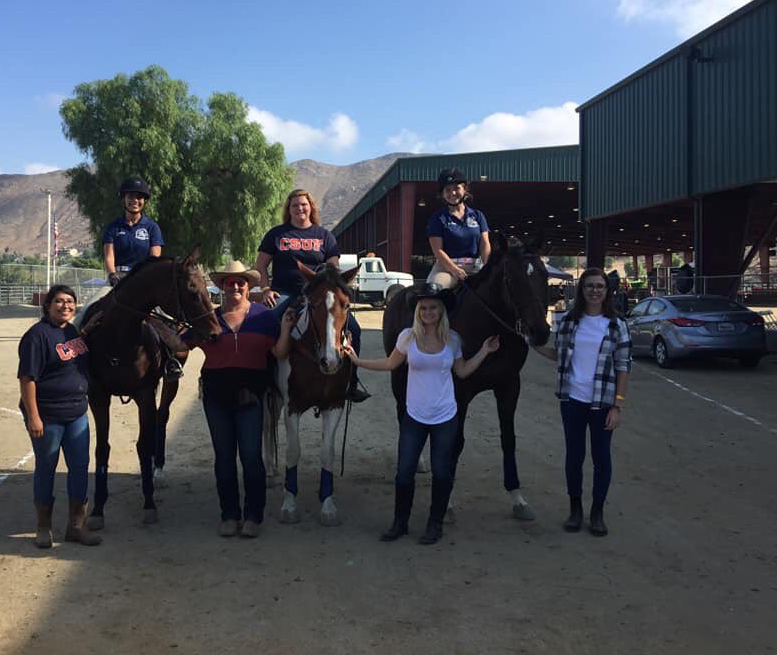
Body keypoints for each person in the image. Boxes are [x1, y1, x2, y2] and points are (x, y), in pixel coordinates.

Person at [345, 283, 499, 545]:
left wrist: (484, 351)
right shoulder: (407, 337)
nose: (428, 312)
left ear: (441, 312)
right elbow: (390, 364)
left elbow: (461, 371)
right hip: (414, 416)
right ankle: (400, 522)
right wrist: (357, 360)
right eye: (424, 308)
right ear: (417, 311)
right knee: (404, 472)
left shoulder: (453, 339)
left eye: (433, 308)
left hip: (445, 416)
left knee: (441, 472)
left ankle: (434, 524)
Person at [181, 260, 295, 538]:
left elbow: (279, 353)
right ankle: (229, 515)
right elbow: (179, 344)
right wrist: (156, 325)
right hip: (216, 396)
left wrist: (286, 329)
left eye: (240, 282)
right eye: (229, 282)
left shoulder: (263, 317)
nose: (235, 286)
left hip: (251, 396)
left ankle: (253, 516)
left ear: (248, 286)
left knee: (251, 456)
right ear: (221, 286)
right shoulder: (209, 319)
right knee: (223, 458)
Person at [531, 267, 632, 537]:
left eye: (599, 286)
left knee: (601, 458)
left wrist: (617, 405)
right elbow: (558, 355)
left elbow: (623, 366)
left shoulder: (617, 325)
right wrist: (532, 345)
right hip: (572, 400)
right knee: (574, 457)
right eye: (589, 286)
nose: (595, 291)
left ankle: (597, 513)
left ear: (607, 290)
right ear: (582, 290)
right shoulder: (568, 322)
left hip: (602, 404)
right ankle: (575, 510)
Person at [254, 188, 369, 402]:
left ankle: (351, 382)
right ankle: (265, 381)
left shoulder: (324, 235)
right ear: (288, 209)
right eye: (295, 205)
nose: (299, 208)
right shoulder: (277, 234)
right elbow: (261, 264)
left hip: (317, 296)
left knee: (354, 329)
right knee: (266, 326)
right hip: (285, 292)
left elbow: (333, 268)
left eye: (303, 204)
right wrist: (265, 289)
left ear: (311, 207)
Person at [18, 284, 102, 548]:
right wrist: (34, 416)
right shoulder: (36, 336)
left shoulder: (72, 331)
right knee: (46, 467)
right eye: (59, 301)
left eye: (70, 301)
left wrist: (89, 330)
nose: (65, 306)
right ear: (47, 305)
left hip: (77, 413)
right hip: (49, 415)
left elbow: (72, 352)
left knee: (79, 468)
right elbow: (27, 378)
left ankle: (77, 526)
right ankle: (43, 527)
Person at [101, 176, 182, 381]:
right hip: (117, 280)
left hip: (143, 283)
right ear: (123, 199)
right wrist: (112, 274)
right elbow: (109, 255)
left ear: (144, 201)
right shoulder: (114, 227)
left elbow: (154, 258)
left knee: (167, 321)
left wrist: (145, 282)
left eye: (139, 197)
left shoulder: (151, 227)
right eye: (130, 196)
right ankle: (79, 356)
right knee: (91, 312)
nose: (134, 200)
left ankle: (171, 361)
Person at [426, 168, 491, 288]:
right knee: (433, 291)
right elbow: (438, 251)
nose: (453, 193)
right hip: (446, 269)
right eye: (447, 190)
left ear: (465, 189)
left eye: (457, 188)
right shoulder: (438, 218)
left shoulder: (478, 216)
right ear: (442, 194)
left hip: (476, 268)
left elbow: (484, 243)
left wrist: (488, 266)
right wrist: (454, 269)